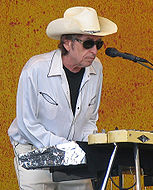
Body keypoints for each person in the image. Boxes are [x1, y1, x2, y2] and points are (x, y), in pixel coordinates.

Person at [8, 6, 117, 190]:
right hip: (35, 151)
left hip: (74, 154)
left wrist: (91, 144)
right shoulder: (35, 69)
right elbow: (27, 124)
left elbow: (90, 117)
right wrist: (64, 147)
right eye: (88, 43)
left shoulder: (96, 69)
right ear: (67, 43)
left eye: (98, 44)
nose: (95, 51)